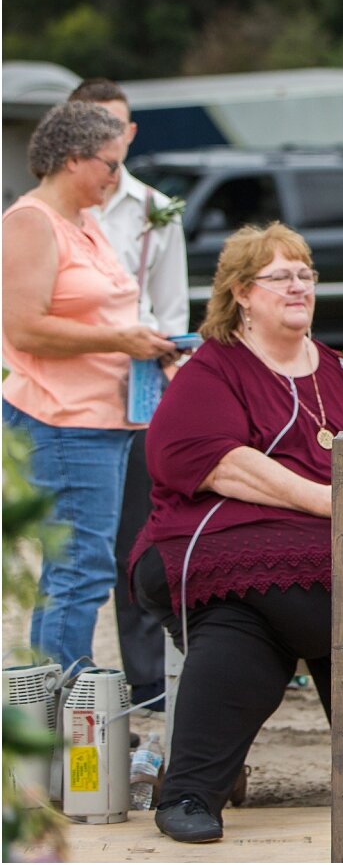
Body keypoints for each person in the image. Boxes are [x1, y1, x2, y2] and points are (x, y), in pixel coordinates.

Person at [128, 223, 343, 843]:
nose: (299, 287)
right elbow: (220, 462)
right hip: (233, 545)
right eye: (281, 276)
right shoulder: (213, 369)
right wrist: (332, 500)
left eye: (306, 274)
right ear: (242, 292)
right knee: (251, 619)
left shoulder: (338, 367)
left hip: (333, 552)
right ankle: (191, 791)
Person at [2, 101, 177, 672]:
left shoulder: (87, 221)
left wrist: (151, 343)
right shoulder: (31, 222)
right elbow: (24, 328)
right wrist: (121, 341)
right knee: (79, 567)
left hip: (105, 416)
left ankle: (66, 699)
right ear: (71, 159)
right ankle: (58, 710)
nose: (114, 178)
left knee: (86, 566)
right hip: (62, 420)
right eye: (108, 165)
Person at [66, 78, 191, 712]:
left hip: (139, 390)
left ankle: (147, 685)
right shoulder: (61, 208)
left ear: (130, 133)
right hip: (71, 394)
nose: (104, 143)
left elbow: (172, 308)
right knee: (80, 548)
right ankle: (72, 681)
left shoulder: (153, 208)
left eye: (113, 128)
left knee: (137, 540)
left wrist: (160, 365)